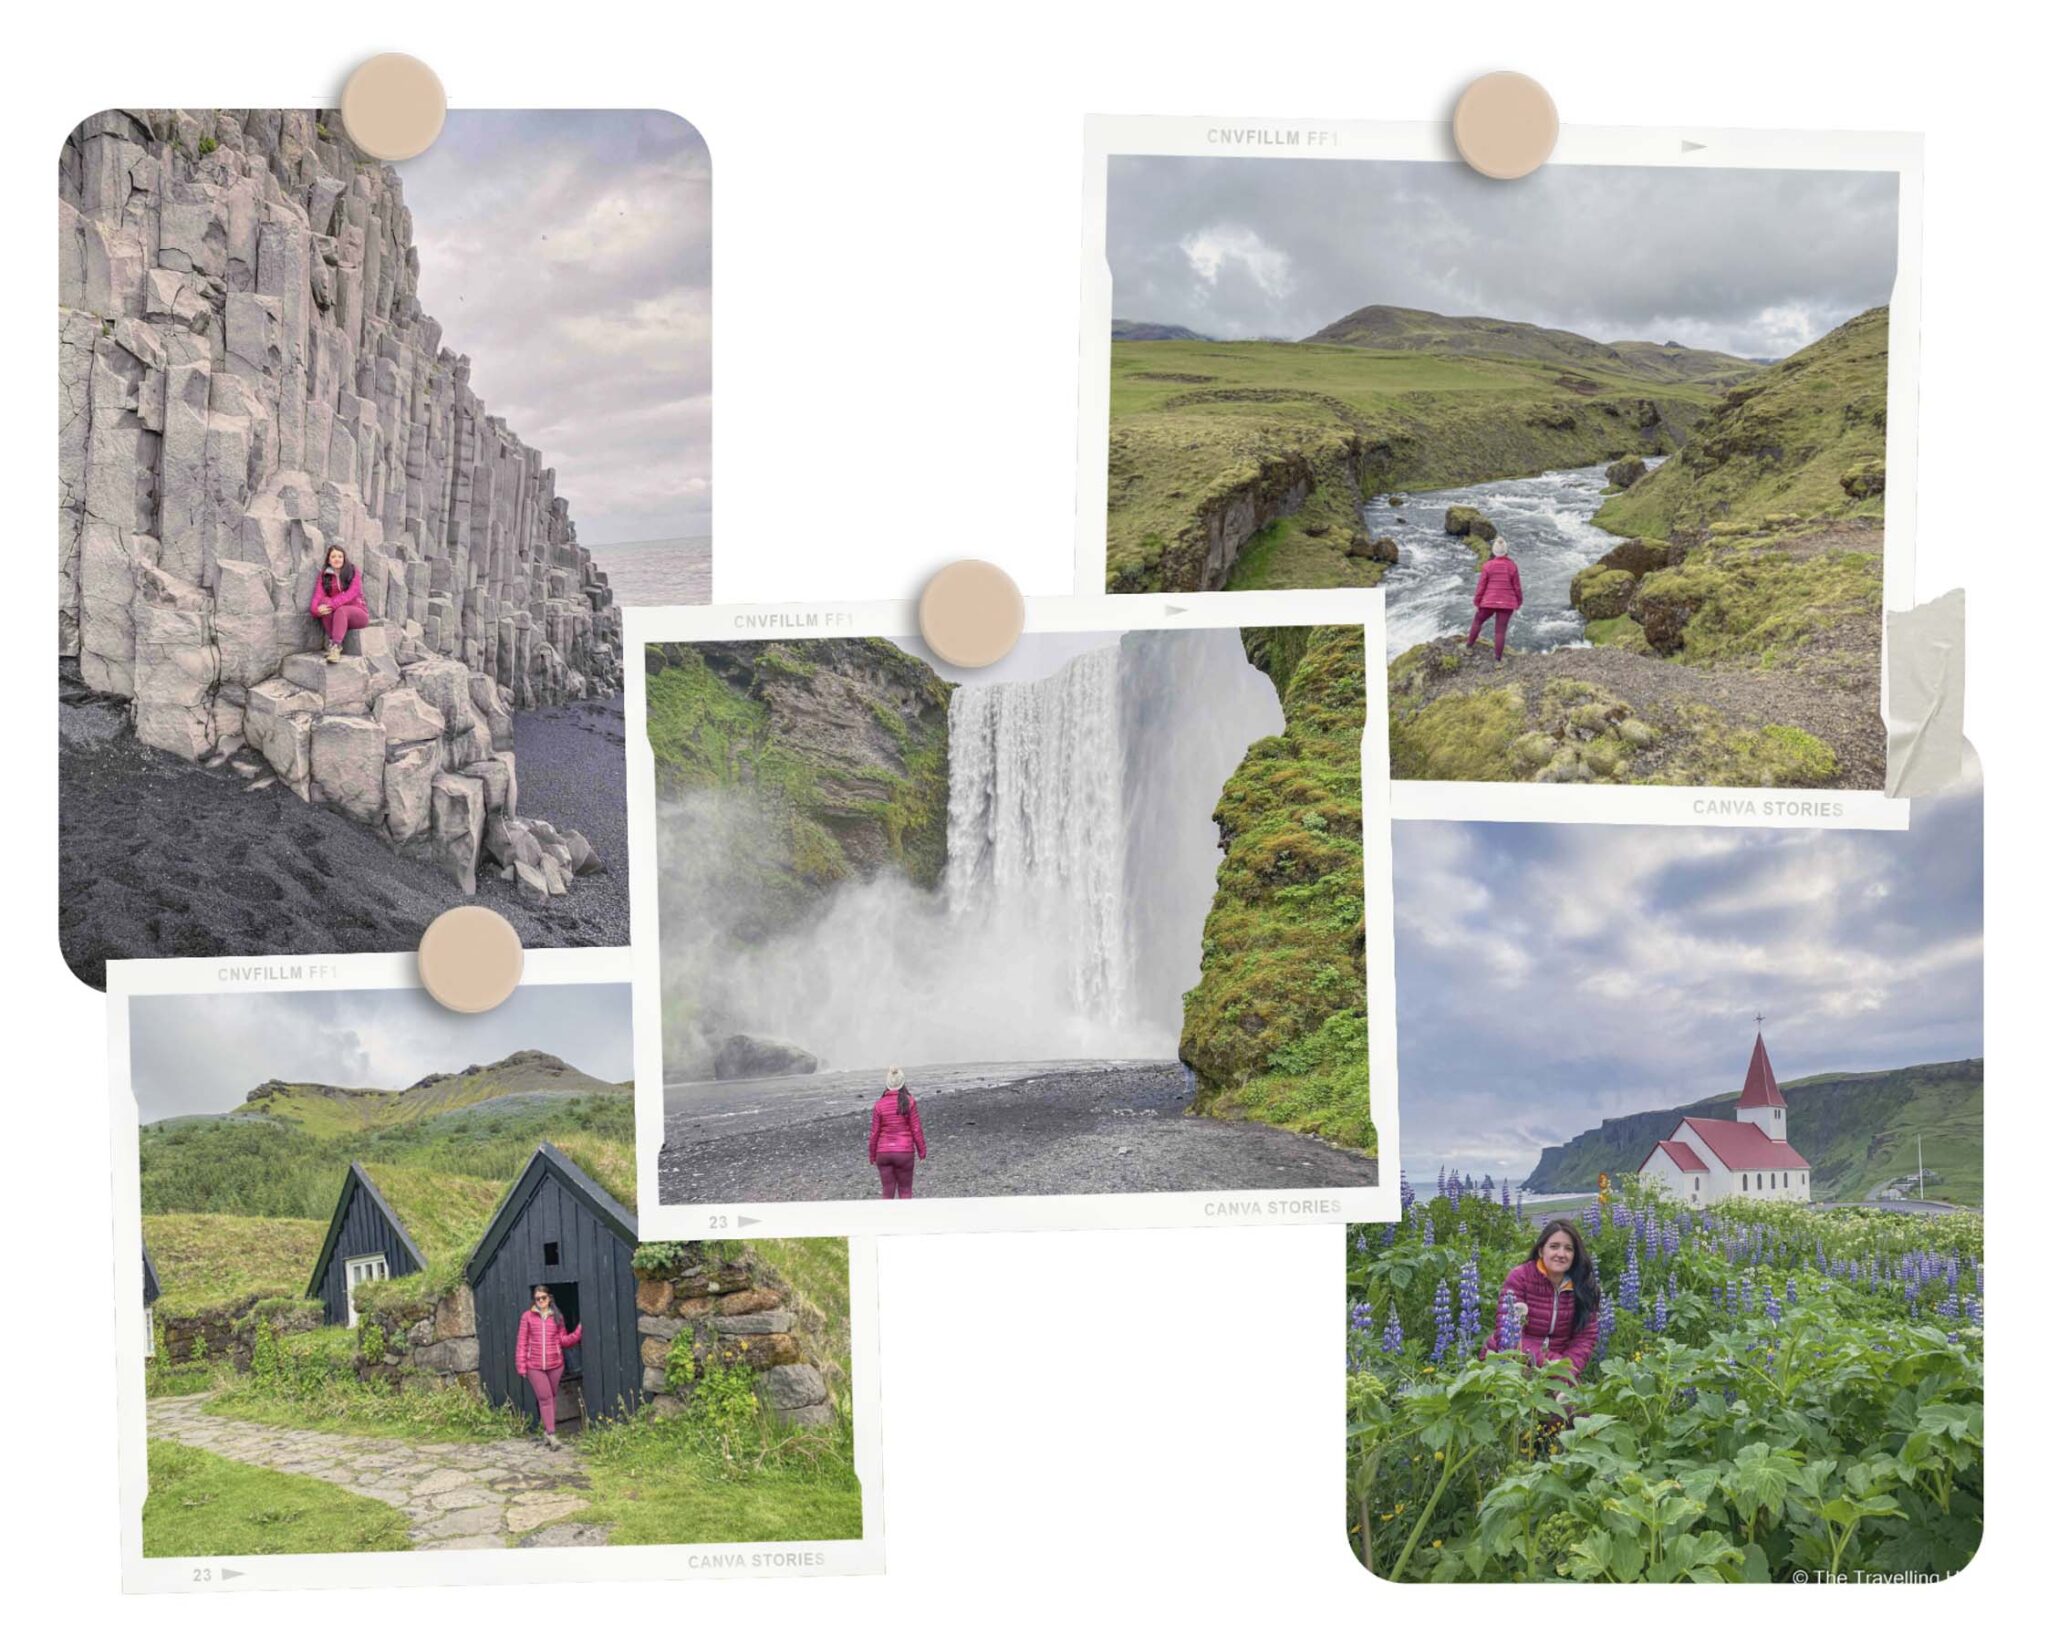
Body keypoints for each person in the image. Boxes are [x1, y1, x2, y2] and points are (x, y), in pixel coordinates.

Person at [1484, 1218, 1601, 1383]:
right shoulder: (1521, 1277)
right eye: (1554, 1246)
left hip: (1558, 1370)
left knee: (1574, 1407)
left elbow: (1585, 1338)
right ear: (1541, 1250)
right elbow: (1507, 1334)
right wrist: (1552, 1363)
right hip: (1510, 1363)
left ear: (1575, 1255)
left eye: (1568, 1249)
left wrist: (1566, 1371)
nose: (1561, 1254)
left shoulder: (1582, 1286)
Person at [514, 1284, 583, 1448]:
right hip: (534, 1366)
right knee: (545, 1398)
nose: (540, 1301)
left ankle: (547, 1432)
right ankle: (552, 1435)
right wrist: (521, 1366)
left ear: (549, 1298)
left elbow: (564, 1341)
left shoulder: (557, 1317)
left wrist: (579, 1331)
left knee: (551, 1397)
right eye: (537, 1299)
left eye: (543, 1298)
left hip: (555, 1365)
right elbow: (522, 1343)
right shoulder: (527, 1317)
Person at [867, 1066, 927, 1198]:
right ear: (903, 1083)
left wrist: (872, 1155)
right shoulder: (909, 1102)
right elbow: (916, 1129)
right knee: (905, 1190)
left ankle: (887, 1218)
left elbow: (875, 1133)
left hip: (883, 1153)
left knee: (887, 1191)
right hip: (904, 1153)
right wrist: (922, 1152)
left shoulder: (879, 1104)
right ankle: (905, 1218)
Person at [1466, 537, 1522, 663]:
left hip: (1488, 602)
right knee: (1500, 631)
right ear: (1506, 551)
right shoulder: (1512, 566)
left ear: (1493, 551)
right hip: (1507, 603)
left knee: (1478, 621)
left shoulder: (1487, 566)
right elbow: (1517, 587)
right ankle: (1497, 661)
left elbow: (1481, 586)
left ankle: (1469, 647)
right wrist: (1519, 601)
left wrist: (1477, 601)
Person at [310, 544, 368, 664]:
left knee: (340, 609)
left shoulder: (353, 571)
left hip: (358, 614)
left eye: (340, 556)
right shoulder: (324, 575)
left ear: (344, 558)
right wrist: (315, 610)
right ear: (329, 560)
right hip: (338, 617)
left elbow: (351, 593)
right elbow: (317, 595)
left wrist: (331, 605)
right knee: (323, 602)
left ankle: (336, 646)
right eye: (333, 557)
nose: (337, 559)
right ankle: (333, 645)